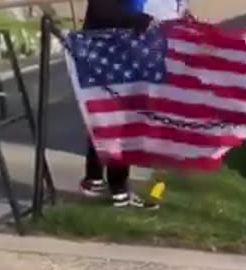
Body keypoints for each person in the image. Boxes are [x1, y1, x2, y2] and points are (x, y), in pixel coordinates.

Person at [79, 0, 188, 208]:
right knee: (120, 117)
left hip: (122, 47)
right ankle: (117, 188)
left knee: (108, 115)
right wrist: (139, 20)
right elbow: (103, 9)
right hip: (112, 49)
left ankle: (96, 179)